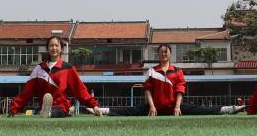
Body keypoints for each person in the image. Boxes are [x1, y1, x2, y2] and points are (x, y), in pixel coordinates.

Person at [98, 44, 243, 116]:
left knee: (201, 109)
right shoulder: (152, 71)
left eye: (166, 52)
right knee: (129, 111)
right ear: (158, 54)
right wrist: (152, 107)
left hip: (174, 107)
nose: (163, 54)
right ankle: (101, 110)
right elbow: (147, 91)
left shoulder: (178, 71)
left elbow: (180, 90)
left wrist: (177, 107)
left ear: (170, 54)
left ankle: (229, 109)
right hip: (155, 108)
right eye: (161, 52)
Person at [8, 36, 101, 118]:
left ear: (61, 49)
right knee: (43, 112)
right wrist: (14, 108)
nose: (54, 48)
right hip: (42, 107)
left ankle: (49, 113)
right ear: (47, 49)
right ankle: (46, 112)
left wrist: (94, 105)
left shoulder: (68, 68)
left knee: (59, 110)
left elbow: (80, 89)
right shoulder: (39, 68)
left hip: (61, 106)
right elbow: (27, 91)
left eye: (56, 45)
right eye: (51, 46)